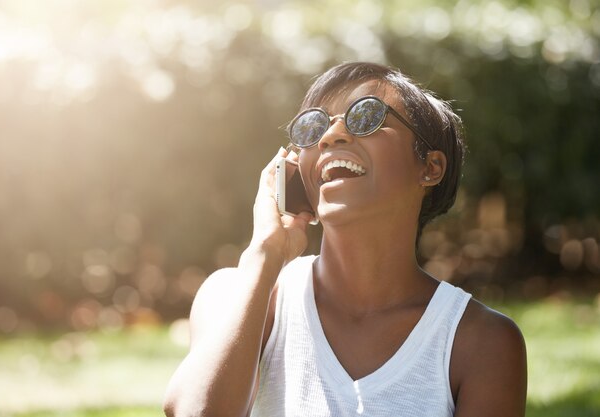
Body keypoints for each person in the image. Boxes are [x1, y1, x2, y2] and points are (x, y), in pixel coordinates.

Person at [163, 62, 527, 417]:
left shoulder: (482, 343)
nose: (330, 136)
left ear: (429, 167)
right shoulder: (235, 295)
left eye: (366, 117)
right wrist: (264, 257)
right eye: (312, 126)